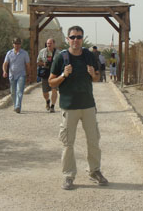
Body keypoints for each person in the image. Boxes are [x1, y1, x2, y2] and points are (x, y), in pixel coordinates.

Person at [49, 26, 108, 190]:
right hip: (69, 107)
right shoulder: (61, 58)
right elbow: (50, 82)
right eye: (72, 37)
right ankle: (68, 175)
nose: (76, 40)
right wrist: (63, 75)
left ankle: (94, 171)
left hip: (88, 105)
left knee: (94, 140)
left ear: (82, 39)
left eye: (79, 37)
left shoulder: (89, 56)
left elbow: (96, 78)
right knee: (68, 144)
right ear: (68, 39)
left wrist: (92, 74)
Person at [3, 38, 30, 113]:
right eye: (15, 44)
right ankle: (15, 105)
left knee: (19, 91)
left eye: (18, 44)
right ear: (13, 44)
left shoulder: (24, 53)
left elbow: (28, 65)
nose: (17, 45)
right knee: (13, 92)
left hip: (21, 74)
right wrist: (4, 71)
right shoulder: (9, 53)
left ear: (20, 44)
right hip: (12, 75)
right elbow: (5, 63)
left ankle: (18, 106)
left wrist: (28, 75)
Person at [37, 38, 60, 113]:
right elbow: (38, 62)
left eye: (50, 43)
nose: (49, 45)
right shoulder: (42, 52)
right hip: (45, 73)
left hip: (54, 74)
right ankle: (47, 101)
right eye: (47, 43)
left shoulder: (58, 53)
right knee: (45, 92)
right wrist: (43, 64)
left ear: (54, 44)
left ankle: (52, 106)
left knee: (54, 89)